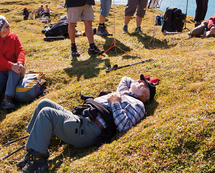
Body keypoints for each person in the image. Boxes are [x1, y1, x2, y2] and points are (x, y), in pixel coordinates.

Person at [17, 74, 158, 173]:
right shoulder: (123, 93)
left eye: (143, 85)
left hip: (89, 128)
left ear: (146, 96)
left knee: (47, 113)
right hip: (80, 120)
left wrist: (115, 103)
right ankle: (34, 148)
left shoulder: (138, 105)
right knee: (44, 103)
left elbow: (124, 126)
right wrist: (134, 86)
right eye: (140, 80)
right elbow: (125, 79)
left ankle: (37, 162)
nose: (139, 82)